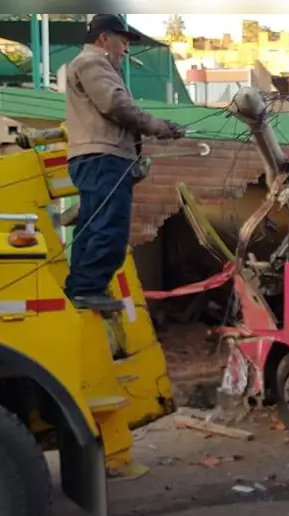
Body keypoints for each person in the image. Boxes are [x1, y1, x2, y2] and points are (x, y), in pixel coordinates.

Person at [64, 14, 184, 311]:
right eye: (123, 40)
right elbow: (115, 104)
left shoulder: (87, 64)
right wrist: (155, 125)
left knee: (94, 225)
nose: (126, 49)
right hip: (104, 158)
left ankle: (83, 288)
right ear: (104, 38)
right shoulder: (93, 63)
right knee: (109, 227)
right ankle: (86, 288)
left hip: (97, 158)